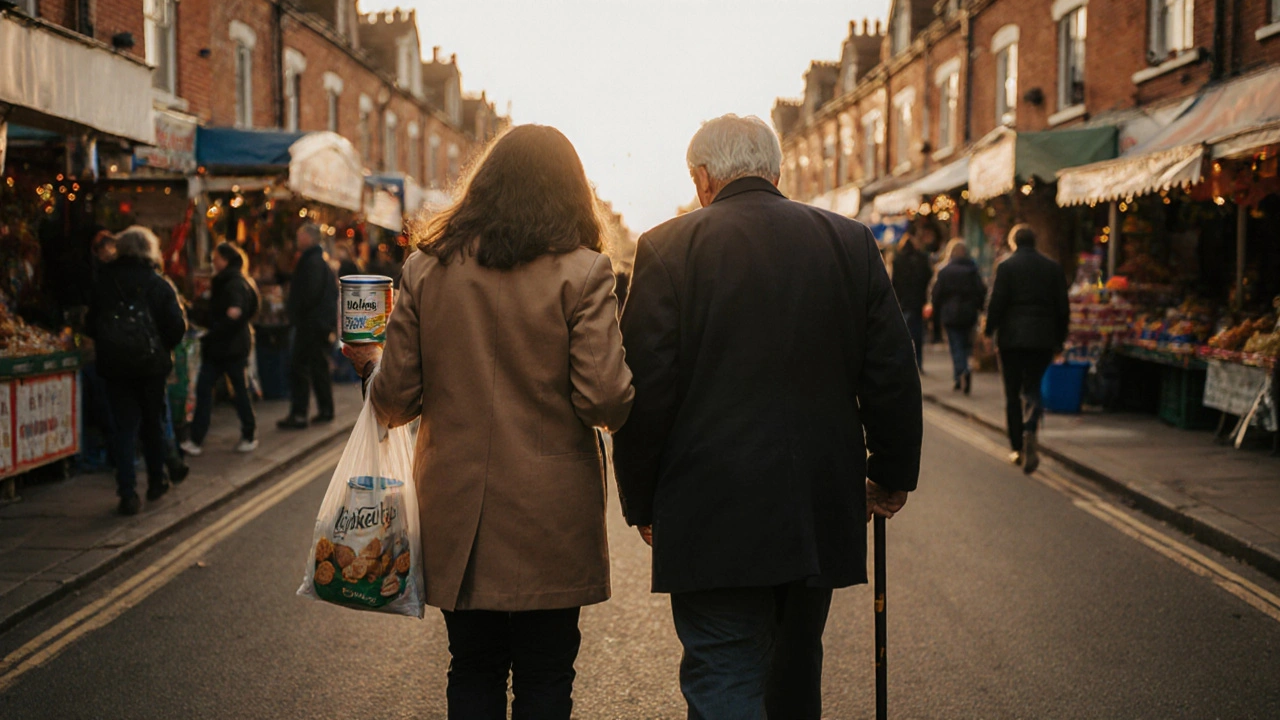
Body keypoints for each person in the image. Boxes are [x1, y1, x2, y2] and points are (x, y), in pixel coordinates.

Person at [612, 114, 922, 720]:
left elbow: (645, 391)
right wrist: (890, 474)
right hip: (815, 504)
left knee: (724, 669)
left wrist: (644, 501)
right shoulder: (850, 241)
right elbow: (890, 371)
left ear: (702, 179)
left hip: (709, 507)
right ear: (777, 174)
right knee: (795, 665)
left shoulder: (667, 248)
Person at [342, 124, 633, 719]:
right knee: (547, 676)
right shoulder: (584, 272)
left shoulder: (426, 269)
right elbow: (605, 400)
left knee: (471, 668)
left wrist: (368, 364)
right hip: (550, 517)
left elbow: (394, 400)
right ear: (571, 192)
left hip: (457, 509)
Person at [86, 227, 188, 515]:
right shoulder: (158, 284)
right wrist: (158, 347)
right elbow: (176, 328)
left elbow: (90, 325)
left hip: (114, 368)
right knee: (152, 424)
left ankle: (127, 493)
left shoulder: (104, 282)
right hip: (150, 368)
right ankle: (157, 481)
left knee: (123, 429)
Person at [984, 224, 1070, 474]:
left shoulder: (1006, 266)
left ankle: (1017, 447)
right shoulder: (1052, 267)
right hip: (1042, 338)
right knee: (1032, 387)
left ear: (1013, 243)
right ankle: (1031, 427)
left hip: (1011, 339)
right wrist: (1060, 339)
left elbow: (996, 302)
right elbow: (1062, 307)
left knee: (1012, 394)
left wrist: (989, 330)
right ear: (1034, 242)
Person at [182, 242, 260, 455]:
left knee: (237, 391)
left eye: (216, 257)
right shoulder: (234, 280)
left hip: (230, 347)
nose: (213, 262)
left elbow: (234, 313)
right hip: (224, 347)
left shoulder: (233, 282)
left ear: (225, 260)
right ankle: (197, 439)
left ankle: (249, 434)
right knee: (210, 390)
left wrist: (212, 332)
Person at [278, 223, 338, 429]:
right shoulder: (317, 260)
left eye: (300, 235)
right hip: (318, 323)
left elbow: (309, 294)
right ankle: (325, 410)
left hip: (310, 324)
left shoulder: (311, 262)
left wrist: (296, 313)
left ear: (309, 238)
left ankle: (299, 414)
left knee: (300, 367)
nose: (297, 239)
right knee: (318, 367)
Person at [931, 238, 988, 394]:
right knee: (966, 344)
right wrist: (980, 307)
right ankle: (965, 369)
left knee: (955, 345)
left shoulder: (944, 271)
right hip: (969, 312)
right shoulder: (972, 270)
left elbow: (937, 294)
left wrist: (937, 310)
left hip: (950, 313)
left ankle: (960, 373)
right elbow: (981, 291)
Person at [892, 232, 933, 371]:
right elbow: (928, 277)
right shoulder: (922, 259)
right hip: (918, 302)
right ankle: (918, 362)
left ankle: (905, 363)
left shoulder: (898, 260)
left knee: (903, 334)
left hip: (902, 302)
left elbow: (893, 282)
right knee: (918, 334)